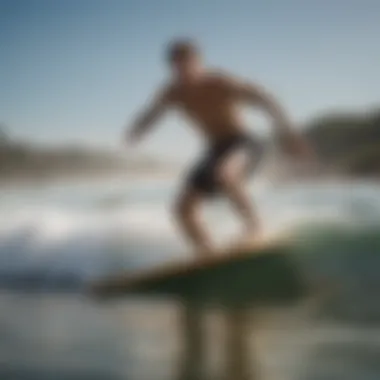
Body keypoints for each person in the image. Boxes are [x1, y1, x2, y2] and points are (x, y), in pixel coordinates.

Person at [125, 38, 312, 254]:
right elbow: (153, 113)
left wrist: (287, 132)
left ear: (198, 62)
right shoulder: (172, 93)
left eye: (187, 65)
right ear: (172, 68)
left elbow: (265, 99)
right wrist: (138, 129)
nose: (183, 73)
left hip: (244, 142)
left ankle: (255, 229)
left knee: (226, 174)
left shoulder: (220, 83)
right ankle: (207, 254)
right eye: (177, 68)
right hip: (215, 149)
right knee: (182, 209)